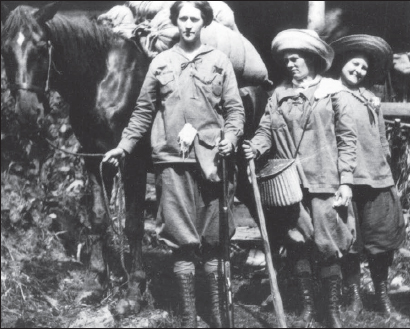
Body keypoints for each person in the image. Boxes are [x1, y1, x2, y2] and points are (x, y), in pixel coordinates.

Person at [103, 1, 244, 327]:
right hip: (171, 161)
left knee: (213, 241)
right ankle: (189, 317)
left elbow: (235, 110)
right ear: (176, 22)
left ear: (204, 23)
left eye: (195, 18)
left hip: (212, 161)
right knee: (181, 241)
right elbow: (142, 112)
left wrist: (232, 137)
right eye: (183, 18)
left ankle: (219, 315)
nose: (189, 24)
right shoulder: (161, 63)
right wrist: (123, 147)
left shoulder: (220, 61)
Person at [243, 29, 357, 328]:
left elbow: (347, 139)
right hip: (288, 185)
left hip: (325, 180)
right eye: (286, 60)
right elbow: (266, 131)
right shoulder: (278, 95)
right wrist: (253, 148)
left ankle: (330, 311)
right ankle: (307, 307)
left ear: (312, 60)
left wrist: (346, 180)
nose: (290, 64)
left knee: (328, 244)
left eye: (295, 59)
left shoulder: (335, 93)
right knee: (297, 243)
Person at [330, 34, 406, 319]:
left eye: (364, 67)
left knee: (381, 243)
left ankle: (383, 299)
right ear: (342, 63)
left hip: (377, 178)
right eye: (354, 64)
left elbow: (382, 137)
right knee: (349, 242)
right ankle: (354, 299)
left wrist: (383, 161)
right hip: (346, 180)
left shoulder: (371, 98)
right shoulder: (330, 93)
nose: (358, 71)